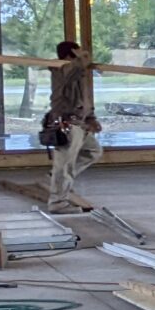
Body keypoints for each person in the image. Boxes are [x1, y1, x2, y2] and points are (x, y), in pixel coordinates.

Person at [43, 39, 101, 211]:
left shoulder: (78, 74)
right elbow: (74, 69)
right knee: (65, 164)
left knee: (93, 151)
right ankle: (58, 202)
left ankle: (57, 179)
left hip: (79, 123)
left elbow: (84, 99)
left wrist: (91, 117)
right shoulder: (61, 69)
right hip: (66, 123)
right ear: (71, 56)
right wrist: (81, 57)